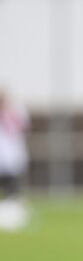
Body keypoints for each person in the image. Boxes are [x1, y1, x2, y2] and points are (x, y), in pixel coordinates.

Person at [0, 88, 31, 232]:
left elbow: (23, 126)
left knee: (13, 192)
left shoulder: (14, 112)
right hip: (7, 159)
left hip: (12, 159)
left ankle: (13, 218)